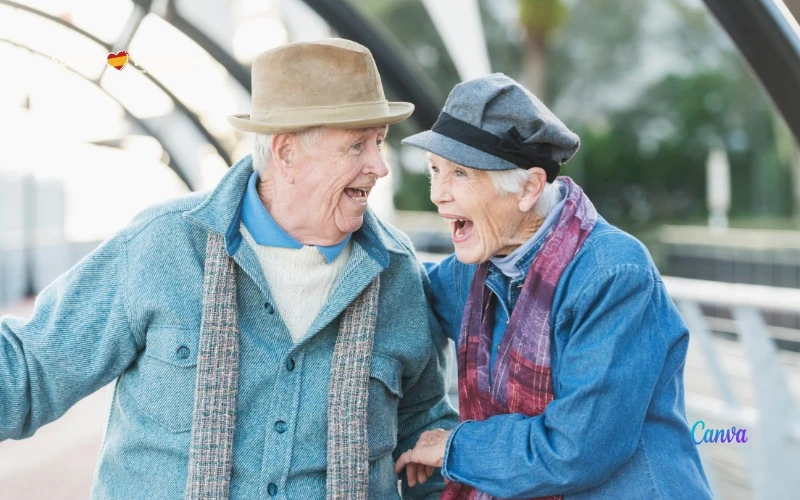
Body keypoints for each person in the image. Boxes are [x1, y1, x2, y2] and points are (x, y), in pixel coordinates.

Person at [0, 38, 457, 499]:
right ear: (286, 153)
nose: (379, 166)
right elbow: (29, 369)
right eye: (357, 145)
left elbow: (425, 440)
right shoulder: (163, 246)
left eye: (378, 141)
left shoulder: (397, 275)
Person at [394, 73, 712, 499]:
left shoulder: (615, 275)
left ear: (528, 189)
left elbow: (576, 448)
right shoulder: (472, 269)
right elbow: (398, 295)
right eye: (435, 170)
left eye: (460, 174)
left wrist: (454, 446)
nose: (438, 194)